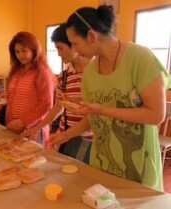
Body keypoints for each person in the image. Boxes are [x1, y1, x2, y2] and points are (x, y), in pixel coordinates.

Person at [50, 5, 171, 191]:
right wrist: (64, 135)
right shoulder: (90, 71)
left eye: (74, 43)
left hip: (138, 163)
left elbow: (156, 115)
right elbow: (92, 118)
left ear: (91, 36)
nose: (73, 49)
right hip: (102, 161)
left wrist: (103, 110)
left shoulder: (140, 58)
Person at [22, 24, 92, 163]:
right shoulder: (65, 76)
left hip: (87, 140)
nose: (59, 54)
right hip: (65, 137)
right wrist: (37, 128)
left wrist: (66, 135)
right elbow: (58, 107)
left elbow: (94, 115)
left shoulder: (95, 74)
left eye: (60, 48)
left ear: (75, 45)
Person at [6, 31, 54, 145]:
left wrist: (24, 122)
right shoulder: (16, 71)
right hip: (14, 127)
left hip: (34, 129)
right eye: (17, 51)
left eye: (24, 50)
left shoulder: (42, 72)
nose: (20, 55)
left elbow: (46, 104)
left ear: (34, 50)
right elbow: (16, 94)